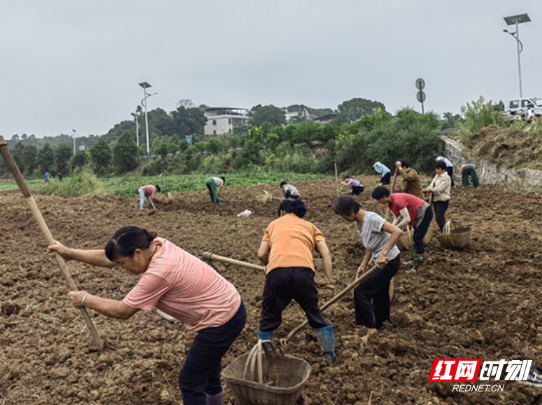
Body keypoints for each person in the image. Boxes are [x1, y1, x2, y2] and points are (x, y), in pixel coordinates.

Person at [48, 226, 245, 405]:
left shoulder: (159, 272)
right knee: (207, 368)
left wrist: (85, 299)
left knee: (190, 379)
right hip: (228, 307)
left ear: (137, 253)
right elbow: (110, 259)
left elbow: (122, 311)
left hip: (221, 320)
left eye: (123, 263)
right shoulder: (158, 245)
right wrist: (70, 253)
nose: (122, 267)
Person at [257, 199, 335, 361]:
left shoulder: (273, 225)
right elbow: (326, 253)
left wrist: (269, 265)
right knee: (314, 313)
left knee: (268, 316)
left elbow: (261, 254)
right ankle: (328, 356)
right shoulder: (311, 227)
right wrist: (327, 278)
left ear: (283, 212)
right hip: (303, 273)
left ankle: (265, 358)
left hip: (277, 274)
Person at [332, 195, 402, 348]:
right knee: (380, 290)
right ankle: (381, 322)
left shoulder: (372, 219)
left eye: (343, 214)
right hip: (381, 262)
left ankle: (371, 329)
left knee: (361, 292)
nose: (343, 218)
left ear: (351, 210)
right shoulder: (359, 223)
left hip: (389, 261)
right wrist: (363, 264)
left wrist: (383, 253)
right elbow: (370, 247)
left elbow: (397, 231)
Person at [372, 187, 433, 273]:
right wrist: (391, 228)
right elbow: (396, 217)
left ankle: (418, 264)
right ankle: (414, 259)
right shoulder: (390, 203)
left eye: (379, 199)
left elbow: (406, 219)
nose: (379, 201)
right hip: (416, 214)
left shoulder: (398, 201)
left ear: (384, 196)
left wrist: (395, 229)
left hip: (424, 212)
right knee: (415, 238)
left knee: (417, 238)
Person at [423, 160, 451, 232]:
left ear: (443, 169)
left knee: (439, 218)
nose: (437, 170)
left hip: (442, 200)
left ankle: (444, 233)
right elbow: (432, 184)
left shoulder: (446, 177)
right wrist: (428, 189)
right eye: (436, 169)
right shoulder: (437, 176)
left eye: (439, 169)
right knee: (440, 218)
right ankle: (446, 233)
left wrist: (429, 190)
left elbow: (440, 189)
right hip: (435, 199)